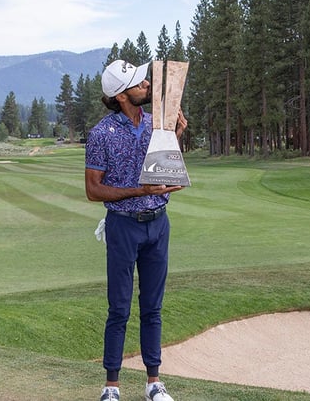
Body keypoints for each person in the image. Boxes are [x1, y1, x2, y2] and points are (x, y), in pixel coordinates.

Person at [85, 59, 187, 401]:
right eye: (138, 83)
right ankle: (111, 386)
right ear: (121, 95)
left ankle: (153, 383)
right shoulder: (101, 134)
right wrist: (139, 191)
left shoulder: (156, 126)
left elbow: (167, 176)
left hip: (158, 225)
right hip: (123, 227)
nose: (146, 85)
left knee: (153, 307)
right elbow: (93, 190)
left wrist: (176, 136)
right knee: (119, 308)